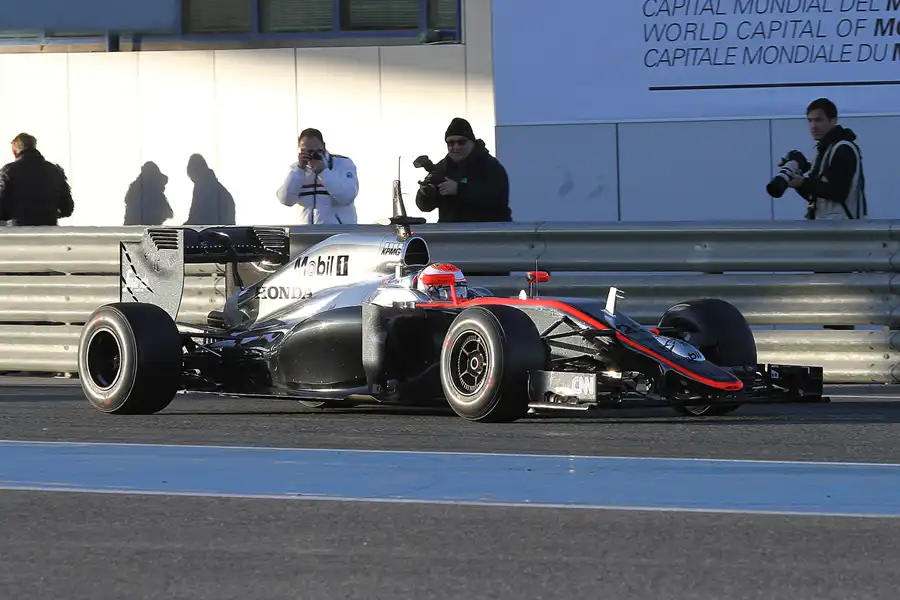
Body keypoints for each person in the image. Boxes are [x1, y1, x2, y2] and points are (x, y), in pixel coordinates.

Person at [415, 117, 512, 223]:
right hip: (451, 234)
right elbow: (425, 207)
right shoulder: (442, 167)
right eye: (450, 143)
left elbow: (497, 199)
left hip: (487, 233)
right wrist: (425, 193)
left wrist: (459, 189)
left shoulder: (489, 166)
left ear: (472, 142)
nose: (456, 147)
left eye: (461, 142)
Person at [788, 98, 867, 221]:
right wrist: (797, 181)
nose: (813, 126)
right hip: (830, 228)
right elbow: (817, 196)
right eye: (810, 121)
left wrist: (803, 182)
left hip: (843, 230)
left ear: (833, 121)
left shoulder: (842, 149)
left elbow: (837, 192)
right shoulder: (825, 150)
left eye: (818, 120)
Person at [276, 128, 358, 225]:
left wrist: (323, 171)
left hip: (338, 232)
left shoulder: (342, 164)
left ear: (323, 146)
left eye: (315, 151)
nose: (311, 155)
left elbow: (347, 196)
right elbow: (286, 200)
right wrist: (299, 170)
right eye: (305, 151)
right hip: (307, 232)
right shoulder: (295, 170)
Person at [0, 133, 74, 226]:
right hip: (49, 228)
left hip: (17, 230)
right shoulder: (55, 171)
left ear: (15, 151)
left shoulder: (8, 171)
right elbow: (67, 209)